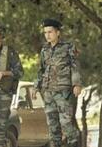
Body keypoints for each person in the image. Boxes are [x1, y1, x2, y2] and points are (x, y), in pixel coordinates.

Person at [32, 18, 82, 147]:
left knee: (66, 125)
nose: (47, 35)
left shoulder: (68, 47)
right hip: (48, 92)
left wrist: (76, 84)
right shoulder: (44, 50)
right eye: (45, 33)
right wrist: (36, 86)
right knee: (53, 127)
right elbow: (41, 70)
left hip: (63, 92)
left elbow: (75, 66)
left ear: (58, 33)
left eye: (50, 32)